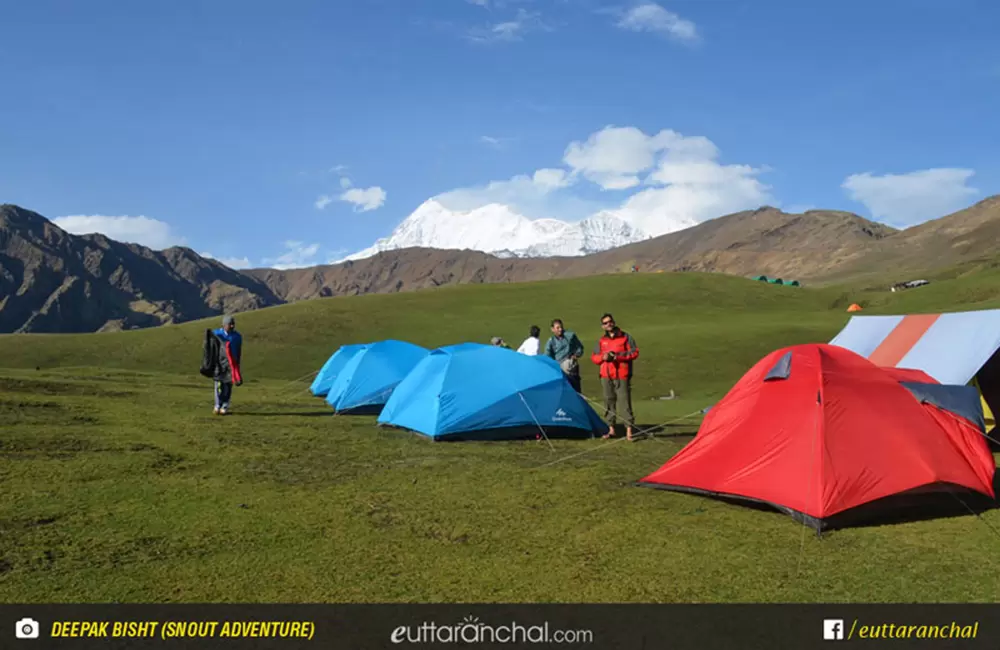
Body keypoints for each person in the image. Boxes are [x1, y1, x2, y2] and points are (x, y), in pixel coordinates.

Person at [591, 312, 638, 441]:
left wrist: (618, 356)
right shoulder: (602, 340)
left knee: (624, 402)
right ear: (603, 326)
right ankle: (611, 429)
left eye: (610, 321)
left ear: (614, 322)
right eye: (605, 323)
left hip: (621, 374)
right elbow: (594, 357)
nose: (609, 324)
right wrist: (603, 357)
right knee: (608, 401)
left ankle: (629, 430)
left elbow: (634, 352)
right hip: (606, 375)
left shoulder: (625, 337)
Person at [212, 314, 243, 415]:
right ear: (224, 325)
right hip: (219, 364)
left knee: (228, 386)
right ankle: (217, 404)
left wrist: (237, 365)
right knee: (218, 385)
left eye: (233, 324)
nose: (232, 326)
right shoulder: (216, 334)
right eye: (230, 324)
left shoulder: (237, 337)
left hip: (231, 365)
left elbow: (238, 351)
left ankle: (225, 405)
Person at [544, 319, 584, 392]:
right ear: (552, 329)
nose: (560, 329)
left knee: (576, 390)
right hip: (560, 370)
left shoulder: (570, 336)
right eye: (558, 328)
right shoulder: (551, 341)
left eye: (561, 327)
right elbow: (547, 357)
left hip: (572, 368)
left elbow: (580, 347)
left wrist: (576, 355)